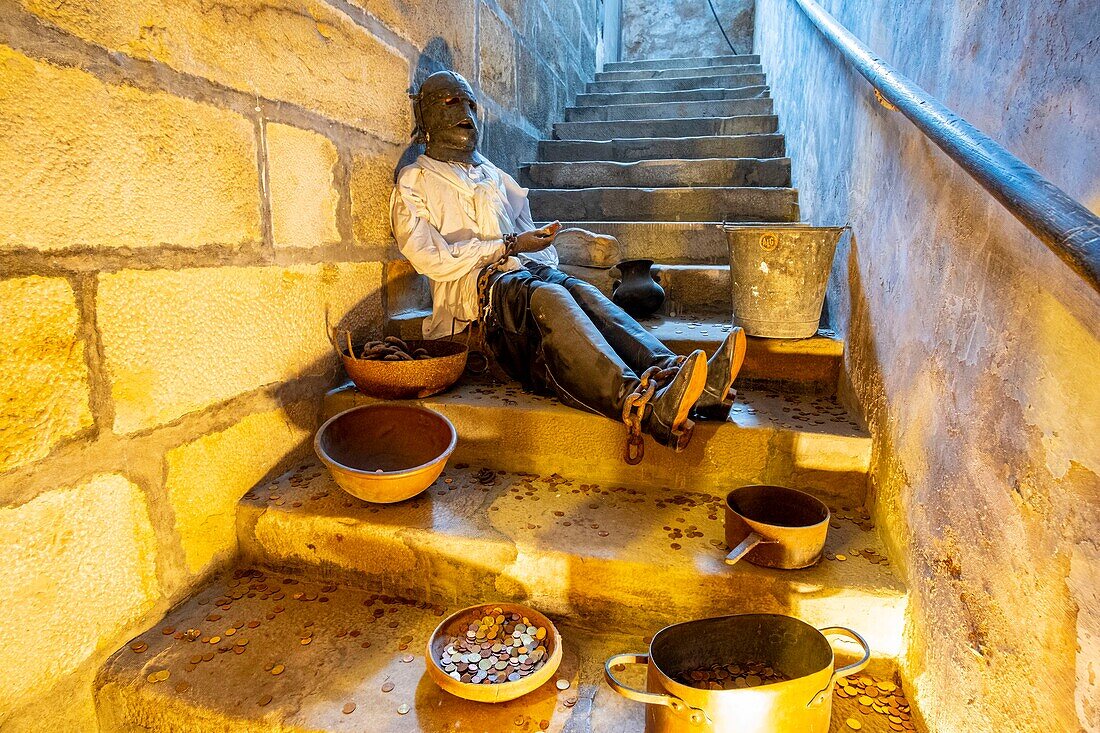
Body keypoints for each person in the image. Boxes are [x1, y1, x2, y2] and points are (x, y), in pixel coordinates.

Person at [389, 70, 746, 460]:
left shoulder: (495, 176)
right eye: (451, 102)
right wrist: (507, 245)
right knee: (550, 297)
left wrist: (536, 242)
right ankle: (642, 406)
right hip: (476, 300)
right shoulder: (416, 179)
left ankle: (683, 378)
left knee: (583, 292)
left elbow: (538, 250)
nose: (467, 113)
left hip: (521, 272)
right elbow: (431, 260)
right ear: (426, 116)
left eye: (471, 104)